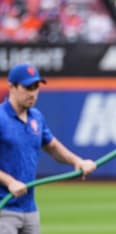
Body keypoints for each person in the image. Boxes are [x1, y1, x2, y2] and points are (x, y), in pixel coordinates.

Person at [0, 64, 97, 234]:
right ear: (11, 87)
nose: (32, 93)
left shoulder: (36, 116)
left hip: (30, 209)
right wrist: (10, 182)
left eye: (36, 87)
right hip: (4, 209)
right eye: (27, 87)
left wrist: (77, 161)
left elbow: (51, 145)